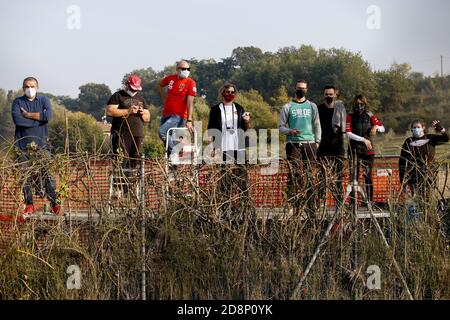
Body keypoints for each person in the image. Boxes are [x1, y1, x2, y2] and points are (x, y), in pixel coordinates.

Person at [11, 76, 61, 218]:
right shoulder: (17, 102)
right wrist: (39, 119)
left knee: (48, 174)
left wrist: (27, 115)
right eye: (27, 86)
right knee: (25, 176)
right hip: (22, 147)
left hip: (42, 145)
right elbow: (18, 120)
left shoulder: (43, 100)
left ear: (37, 87)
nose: (29, 89)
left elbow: (48, 116)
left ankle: (54, 204)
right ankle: (29, 204)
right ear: (23, 88)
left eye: (32, 86)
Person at [279, 80, 321, 213]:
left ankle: (311, 203)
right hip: (293, 143)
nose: (301, 90)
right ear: (295, 89)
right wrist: (290, 131)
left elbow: (317, 124)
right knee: (294, 174)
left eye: (303, 88)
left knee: (311, 174)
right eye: (299, 88)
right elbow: (280, 127)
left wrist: (317, 141)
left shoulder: (312, 106)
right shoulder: (287, 106)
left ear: (306, 90)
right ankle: (292, 202)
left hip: (310, 143)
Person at [345, 94, 385, 206]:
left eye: (361, 104)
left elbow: (382, 128)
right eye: (357, 104)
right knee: (354, 176)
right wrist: (363, 140)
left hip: (368, 151)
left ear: (365, 104)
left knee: (368, 176)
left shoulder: (370, 115)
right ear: (354, 104)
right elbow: (348, 133)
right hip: (354, 150)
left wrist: (375, 127)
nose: (359, 106)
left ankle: (369, 201)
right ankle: (353, 202)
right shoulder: (350, 116)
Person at [106, 75, 150, 169]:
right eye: (132, 89)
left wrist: (142, 114)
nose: (134, 91)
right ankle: (119, 183)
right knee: (121, 160)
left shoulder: (141, 99)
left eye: (136, 89)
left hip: (137, 135)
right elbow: (109, 111)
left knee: (134, 161)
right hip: (121, 134)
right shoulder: (117, 96)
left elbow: (147, 118)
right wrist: (127, 111)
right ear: (127, 85)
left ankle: (131, 182)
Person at [399, 119, 449, 198]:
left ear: (423, 128)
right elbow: (402, 161)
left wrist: (441, 129)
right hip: (414, 174)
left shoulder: (430, 138)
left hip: (430, 173)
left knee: (428, 195)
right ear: (411, 129)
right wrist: (403, 181)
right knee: (417, 196)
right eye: (414, 127)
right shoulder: (408, 141)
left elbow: (446, 138)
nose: (416, 129)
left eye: (418, 127)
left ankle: (429, 209)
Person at [157, 60, 197, 157]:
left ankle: (179, 150)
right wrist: (163, 98)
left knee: (162, 132)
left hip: (179, 116)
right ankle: (173, 166)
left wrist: (189, 120)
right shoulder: (171, 78)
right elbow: (159, 84)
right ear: (177, 69)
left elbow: (190, 102)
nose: (186, 70)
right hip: (166, 114)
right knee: (169, 140)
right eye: (184, 69)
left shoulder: (190, 83)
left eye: (188, 69)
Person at [317, 85, 347, 204]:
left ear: (335, 95)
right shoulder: (319, 109)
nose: (329, 96)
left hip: (337, 146)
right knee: (322, 176)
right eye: (326, 94)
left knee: (338, 175)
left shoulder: (340, 109)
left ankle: (339, 201)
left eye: (331, 94)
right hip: (323, 146)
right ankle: (320, 201)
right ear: (323, 95)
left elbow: (345, 126)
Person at [207, 83, 250, 163]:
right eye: (228, 92)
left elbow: (245, 128)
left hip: (238, 143)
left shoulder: (239, 108)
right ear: (223, 93)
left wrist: (247, 121)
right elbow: (211, 128)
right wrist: (212, 146)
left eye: (232, 92)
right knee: (224, 170)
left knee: (241, 170)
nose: (230, 94)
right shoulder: (215, 109)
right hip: (222, 143)